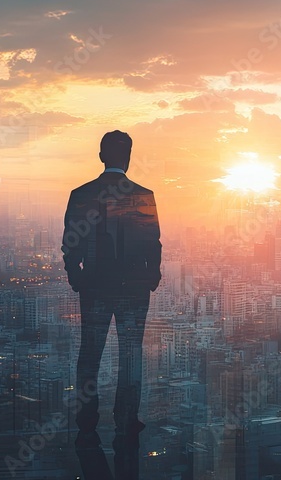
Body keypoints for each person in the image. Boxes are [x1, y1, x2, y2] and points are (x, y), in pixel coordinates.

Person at [62, 130, 162, 451]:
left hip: (94, 288)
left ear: (101, 155)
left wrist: (76, 276)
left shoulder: (82, 194)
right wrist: (152, 275)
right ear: (128, 158)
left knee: (90, 353)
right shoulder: (143, 196)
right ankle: (126, 419)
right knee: (131, 355)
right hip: (134, 290)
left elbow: (71, 243)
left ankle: (87, 420)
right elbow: (152, 242)